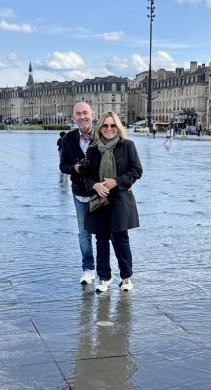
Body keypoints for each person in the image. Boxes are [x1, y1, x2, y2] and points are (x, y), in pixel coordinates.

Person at [83, 111, 142, 293]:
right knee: (101, 240)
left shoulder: (128, 146)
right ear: (100, 127)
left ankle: (126, 277)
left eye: (113, 125)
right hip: (100, 200)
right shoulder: (92, 149)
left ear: (118, 127)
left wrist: (117, 181)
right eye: (106, 125)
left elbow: (136, 170)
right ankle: (104, 277)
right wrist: (95, 185)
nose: (109, 129)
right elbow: (84, 176)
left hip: (120, 200)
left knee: (120, 239)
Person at [59, 102, 97, 285]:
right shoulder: (68, 139)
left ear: (92, 115)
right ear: (73, 117)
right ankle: (88, 269)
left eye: (85, 113)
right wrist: (74, 167)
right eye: (78, 114)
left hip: (100, 192)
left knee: (104, 232)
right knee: (84, 232)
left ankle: (105, 271)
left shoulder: (102, 135)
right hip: (80, 193)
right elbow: (62, 166)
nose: (82, 117)